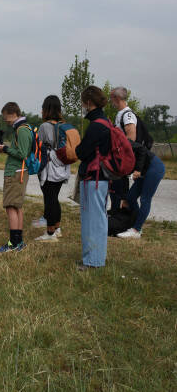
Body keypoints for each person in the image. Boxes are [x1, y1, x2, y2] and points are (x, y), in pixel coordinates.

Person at [75, 86, 111, 270]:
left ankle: (94, 261)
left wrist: (77, 148)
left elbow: (81, 151)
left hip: (94, 178)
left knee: (93, 220)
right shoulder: (105, 122)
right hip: (100, 177)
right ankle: (93, 257)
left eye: (82, 102)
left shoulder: (96, 125)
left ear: (88, 102)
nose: (82, 105)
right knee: (96, 218)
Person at [0, 102, 32, 252]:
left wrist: (5, 149)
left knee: (11, 207)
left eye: (6, 118)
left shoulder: (22, 130)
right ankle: (18, 242)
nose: (6, 121)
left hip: (16, 172)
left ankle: (14, 243)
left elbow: (23, 154)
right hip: (19, 171)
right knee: (16, 206)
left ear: (12, 114)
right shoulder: (23, 128)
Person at [34, 95, 71, 242]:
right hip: (62, 166)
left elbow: (39, 145)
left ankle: (50, 233)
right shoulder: (64, 125)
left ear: (46, 109)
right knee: (54, 198)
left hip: (49, 167)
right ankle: (57, 228)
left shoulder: (44, 126)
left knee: (49, 199)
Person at [118, 141, 165, 239]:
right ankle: (136, 223)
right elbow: (122, 176)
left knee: (145, 199)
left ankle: (136, 230)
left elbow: (142, 150)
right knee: (130, 197)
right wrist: (123, 197)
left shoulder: (122, 141)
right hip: (144, 170)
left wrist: (138, 170)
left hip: (154, 167)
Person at [108, 86, 137, 211]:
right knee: (115, 189)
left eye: (111, 98)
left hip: (122, 160)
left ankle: (123, 216)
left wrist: (120, 156)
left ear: (117, 98)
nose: (110, 101)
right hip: (118, 159)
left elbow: (131, 137)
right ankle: (115, 213)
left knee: (121, 190)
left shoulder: (127, 114)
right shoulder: (121, 114)